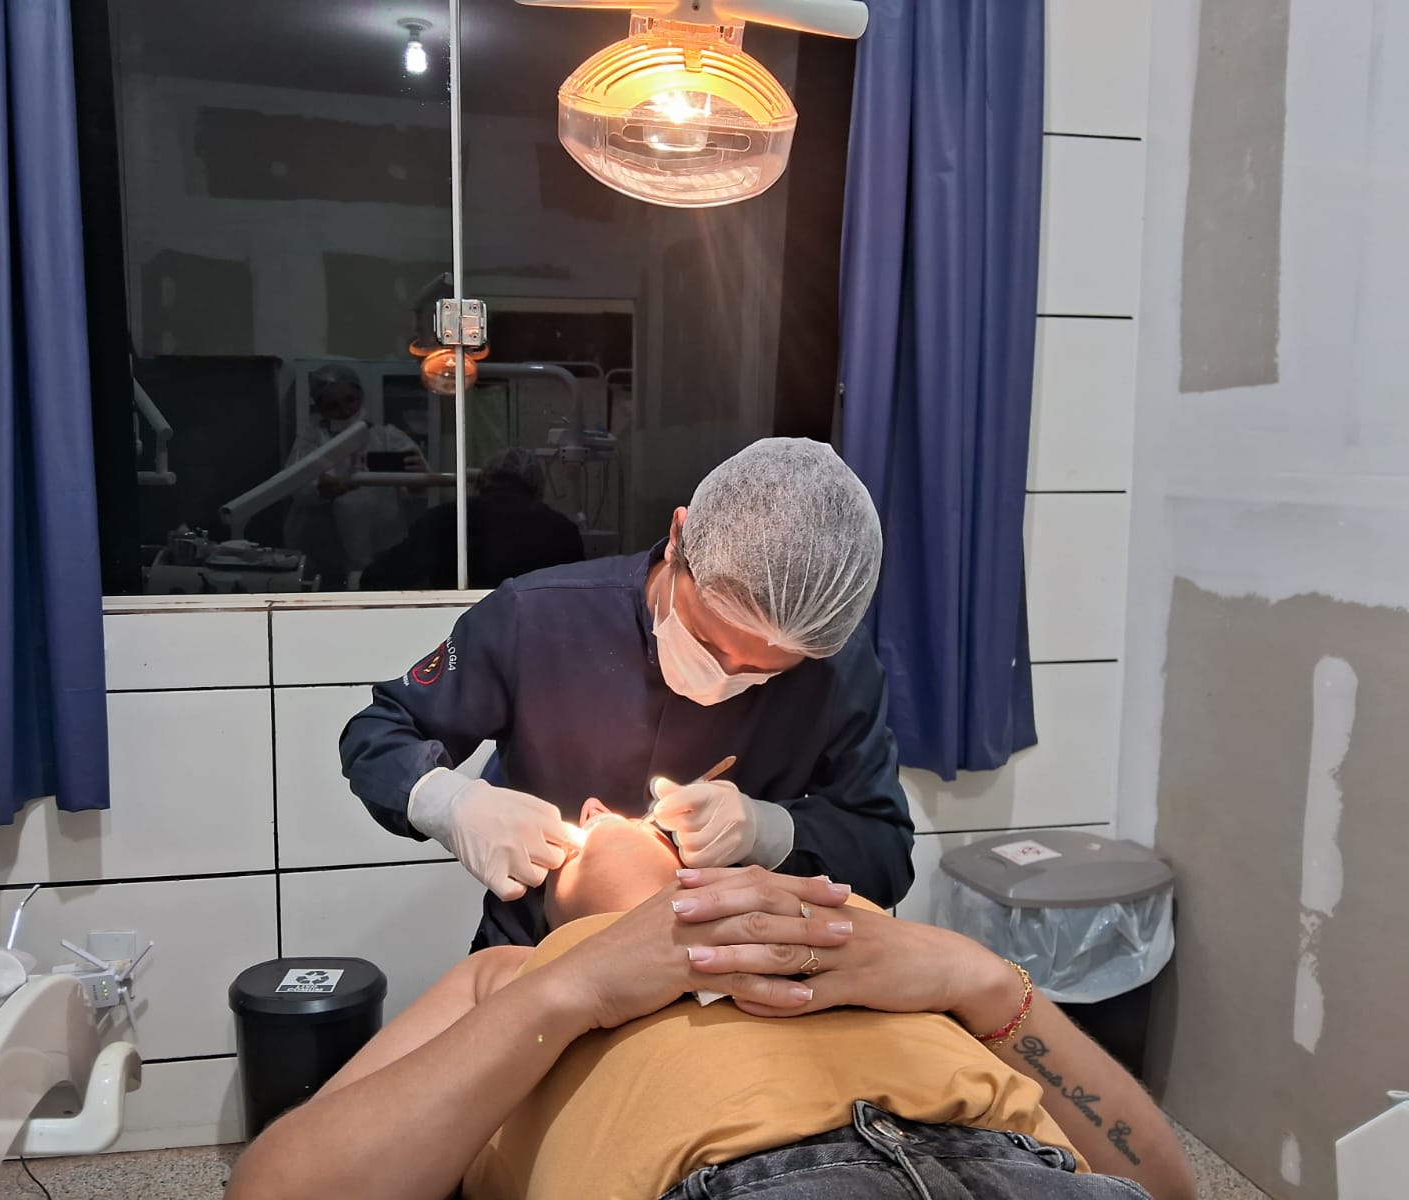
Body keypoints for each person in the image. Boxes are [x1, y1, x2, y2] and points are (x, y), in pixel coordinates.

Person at [226, 804, 1197, 1200]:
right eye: (589, 824)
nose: (603, 814)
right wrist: (574, 986)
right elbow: (276, 1190)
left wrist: (978, 978)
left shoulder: (848, 922)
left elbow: (1163, 1183)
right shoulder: (515, 976)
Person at [340, 437, 912, 949]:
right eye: (709, 642)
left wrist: (773, 832)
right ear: (678, 538)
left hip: (732, 962)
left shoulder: (836, 668)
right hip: (539, 952)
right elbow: (378, 733)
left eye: (765, 672)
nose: (726, 676)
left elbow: (884, 850)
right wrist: (447, 803)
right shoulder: (536, 620)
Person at [283, 362, 429, 588]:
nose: (344, 411)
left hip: (384, 550)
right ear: (319, 408)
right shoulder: (311, 442)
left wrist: (418, 478)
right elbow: (297, 487)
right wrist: (327, 488)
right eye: (333, 406)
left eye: (350, 400)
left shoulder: (388, 437)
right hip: (327, 553)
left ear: (361, 396)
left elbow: (420, 487)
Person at [359, 447, 585, 591]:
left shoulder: (447, 519)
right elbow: (575, 597)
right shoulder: (562, 532)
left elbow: (380, 578)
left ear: (481, 480)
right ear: (537, 488)